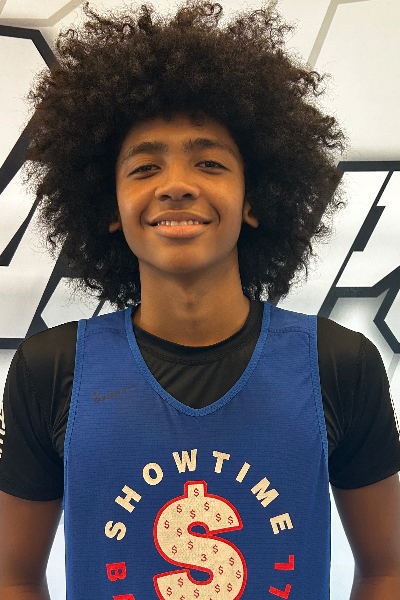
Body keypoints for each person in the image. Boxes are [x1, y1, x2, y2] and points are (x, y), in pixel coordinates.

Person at [0, 1, 400, 598]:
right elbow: (12, 577)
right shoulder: (50, 370)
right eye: (144, 168)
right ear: (110, 208)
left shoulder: (339, 365)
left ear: (253, 199)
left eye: (209, 162)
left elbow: (387, 569)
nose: (177, 185)